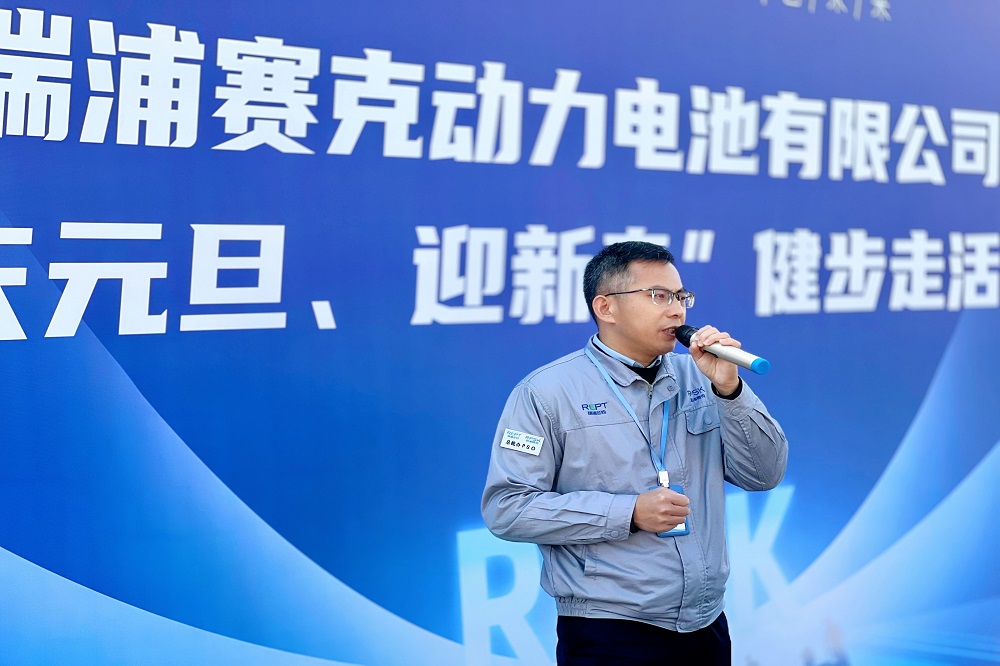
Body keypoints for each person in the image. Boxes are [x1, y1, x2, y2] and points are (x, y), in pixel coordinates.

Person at [481, 241, 788, 665]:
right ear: (606, 307)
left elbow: (764, 475)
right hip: (610, 630)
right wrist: (627, 513)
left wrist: (730, 390)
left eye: (681, 297)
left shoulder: (703, 375)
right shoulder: (545, 393)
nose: (677, 311)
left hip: (706, 623)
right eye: (659, 296)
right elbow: (508, 509)